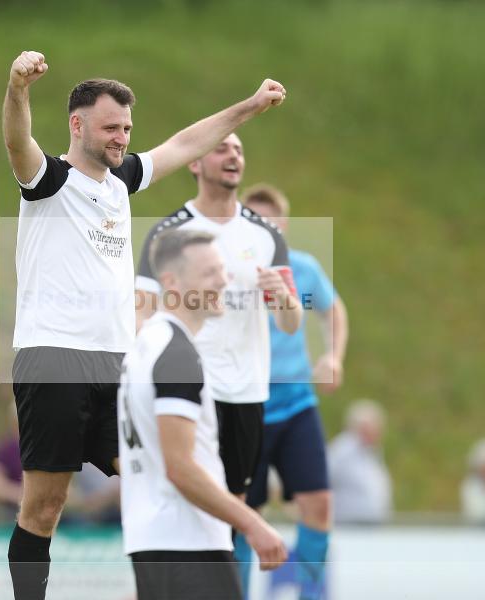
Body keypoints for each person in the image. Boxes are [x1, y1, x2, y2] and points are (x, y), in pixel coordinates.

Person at [2, 49, 287, 600]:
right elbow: (17, 141)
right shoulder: (49, 180)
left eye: (128, 128)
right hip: (53, 358)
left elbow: (184, 144)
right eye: (111, 127)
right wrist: (18, 88)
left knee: (155, 483)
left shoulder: (121, 182)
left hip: (118, 363)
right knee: (45, 505)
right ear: (77, 124)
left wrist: (249, 108)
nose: (122, 139)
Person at [135, 133, 303, 574]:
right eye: (222, 148)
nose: (233, 156)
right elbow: (141, 313)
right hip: (189, 390)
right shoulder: (169, 233)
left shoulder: (266, 235)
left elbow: (291, 321)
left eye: (240, 150)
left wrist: (282, 299)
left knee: (236, 510)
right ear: (194, 163)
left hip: (246, 391)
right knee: (188, 503)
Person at [119, 229, 287, 600]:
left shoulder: (146, 345)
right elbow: (180, 466)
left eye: (223, 270)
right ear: (171, 282)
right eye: (210, 272)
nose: (224, 280)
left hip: (156, 538)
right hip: (187, 541)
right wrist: (252, 523)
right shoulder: (177, 355)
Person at [239, 184, 348, 599]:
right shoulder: (225, 271)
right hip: (244, 408)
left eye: (269, 222)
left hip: (297, 404)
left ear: (283, 227)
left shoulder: (303, 268)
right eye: (252, 220)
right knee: (243, 515)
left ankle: (311, 594)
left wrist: (333, 357)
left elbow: (333, 309)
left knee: (319, 505)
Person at [327, 400, 392, 525]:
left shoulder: (372, 452)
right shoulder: (342, 450)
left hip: (370, 526)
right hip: (348, 526)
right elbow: (323, 479)